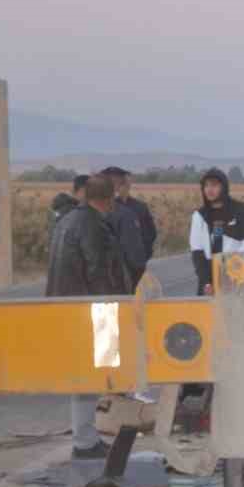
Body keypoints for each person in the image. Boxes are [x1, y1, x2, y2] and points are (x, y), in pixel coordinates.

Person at [45, 175, 130, 459]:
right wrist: (113, 310)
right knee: (89, 378)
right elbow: (98, 272)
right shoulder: (92, 225)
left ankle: (86, 437)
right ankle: (84, 441)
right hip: (91, 311)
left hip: (65, 308)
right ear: (107, 199)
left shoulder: (66, 221)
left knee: (81, 378)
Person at [189, 167, 244, 295]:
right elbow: (197, 251)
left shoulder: (241, 210)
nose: (209, 190)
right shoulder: (199, 215)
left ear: (224, 187)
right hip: (209, 279)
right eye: (206, 186)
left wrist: (231, 270)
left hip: (237, 276)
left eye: (214, 185)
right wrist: (206, 282)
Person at [99, 166, 149, 288]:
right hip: (119, 281)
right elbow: (136, 259)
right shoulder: (125, 214)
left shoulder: (138, 207)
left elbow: (149, 235)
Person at [103, 166, 158, 262]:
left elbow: (151, 233)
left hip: (136, 260)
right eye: (119, 184)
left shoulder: (140, 207)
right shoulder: (106, 207)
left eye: (124, 183)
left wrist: (143, 253)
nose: (122, 186)